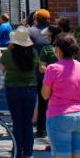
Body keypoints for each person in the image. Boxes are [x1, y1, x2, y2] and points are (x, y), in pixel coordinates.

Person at [0, 26, 37, 158]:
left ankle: (17, 150)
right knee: (27, 121)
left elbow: (3, 67)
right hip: (30, 88)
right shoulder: (34, 53)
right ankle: (28, 151)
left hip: (13, 89)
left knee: (17, 121)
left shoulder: (9, 54)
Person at [30, 9, 53, 138]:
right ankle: (44, 127)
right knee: (48, 100)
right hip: (52, 71)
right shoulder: (53, 32)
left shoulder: (31, 32)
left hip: (35, 71)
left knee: (36, 99)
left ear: (36, 19)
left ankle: (39, 127)